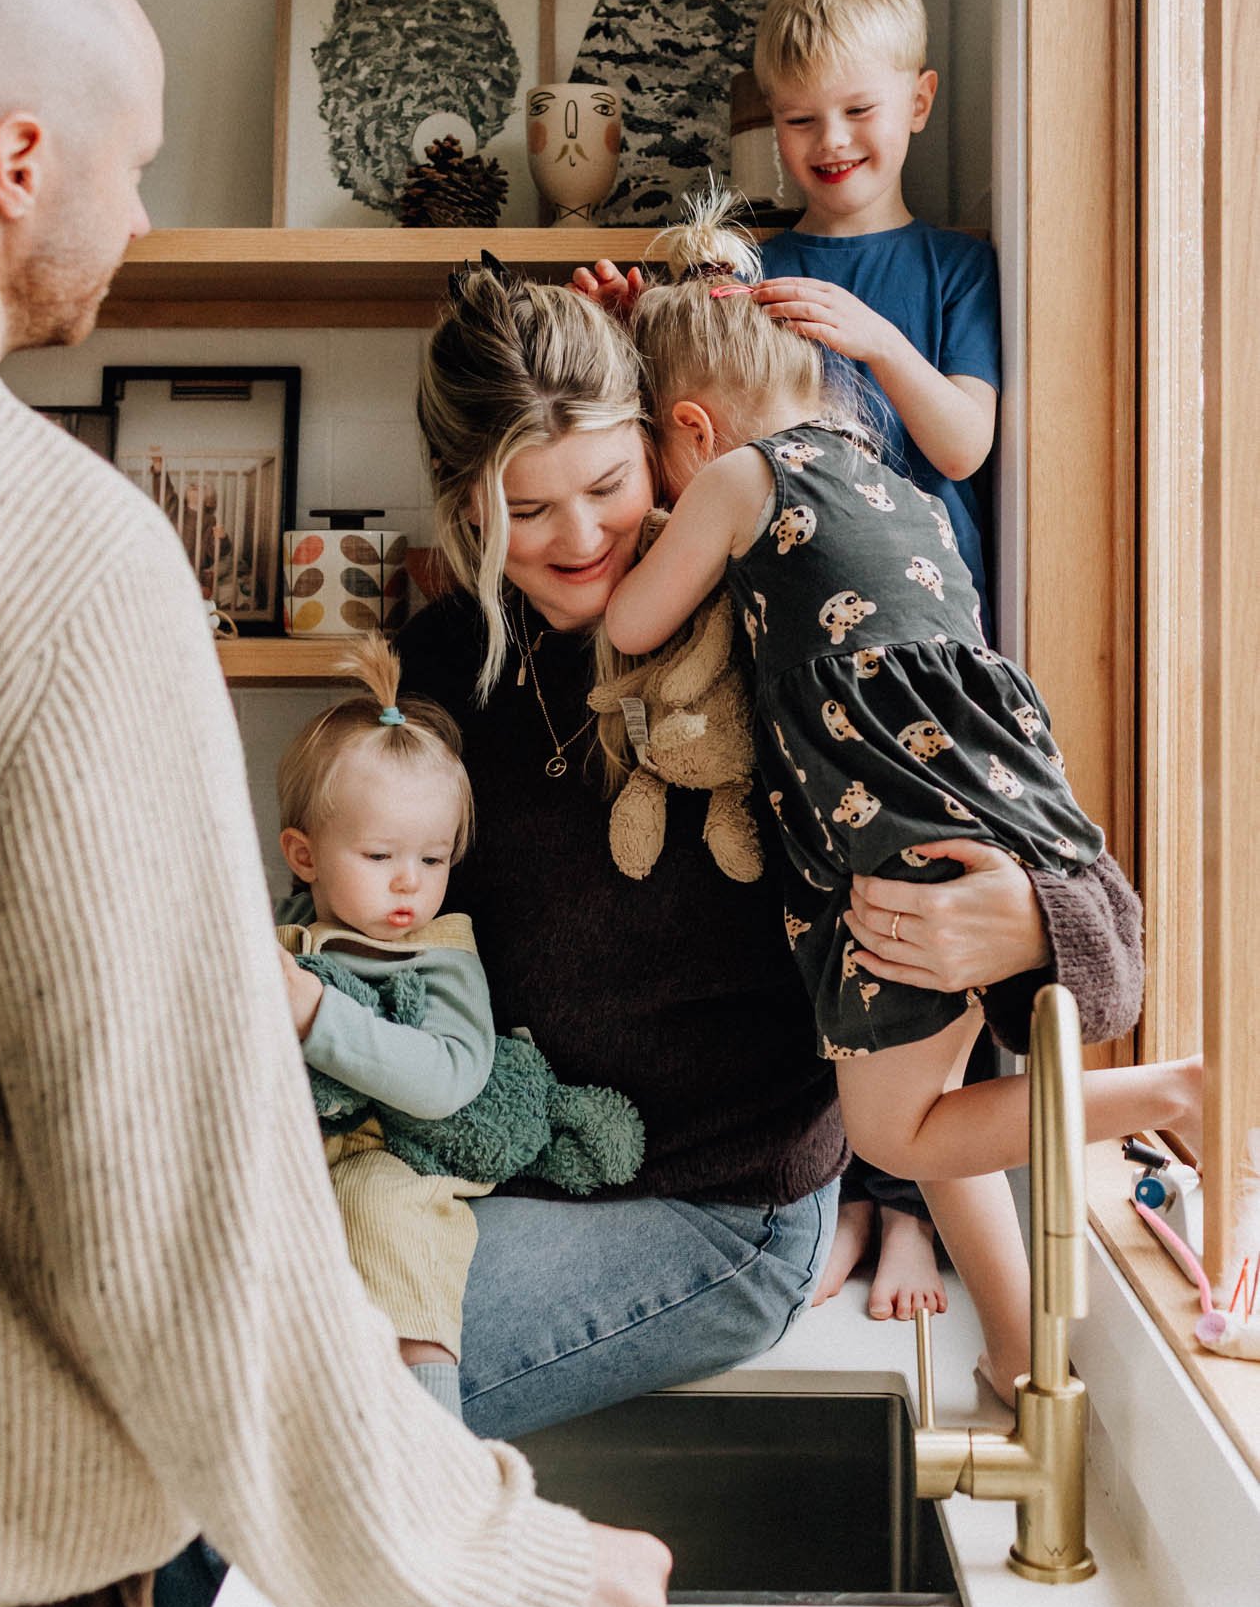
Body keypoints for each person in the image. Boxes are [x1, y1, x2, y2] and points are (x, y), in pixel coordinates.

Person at [0, 0, 669, 1607]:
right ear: (17, 162)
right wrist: (496, 1556)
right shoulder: (47, 549)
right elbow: (178, 1206)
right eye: (135, 163)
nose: (145, 217)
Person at [403, 255, 1151, 1444]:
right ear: (463, 502)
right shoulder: (447, 656)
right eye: (523, 510)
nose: (580, 537)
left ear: (666, 438)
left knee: (313, 1396)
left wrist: (1025, 917)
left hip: (722, 1209)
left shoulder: (784, 613)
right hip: (509, 1172)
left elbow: (1097, 920)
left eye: (605, 482)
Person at [602, 192, 1202, 1401]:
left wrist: (673, 518)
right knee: (945, 1112)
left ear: (689, 424)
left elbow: (629, 620)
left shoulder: (732, 480)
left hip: (897, 839)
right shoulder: (897, 488)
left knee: (892, 1131)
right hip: (993, 801)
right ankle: (1029, 1356)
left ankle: (1172, 1092)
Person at [577, 0, 998, 1327]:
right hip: (782, 665)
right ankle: (846, 1196)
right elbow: (697, 405)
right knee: (817, 937)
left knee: (923, 932)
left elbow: (964, 437)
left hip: (919, 672)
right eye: (801, 120)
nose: (829, 146)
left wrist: (874, 338)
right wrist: (637, 322)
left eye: (858, 113)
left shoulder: (947, 268)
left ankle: (912, 1215)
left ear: (921, 102)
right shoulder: (755, 263)